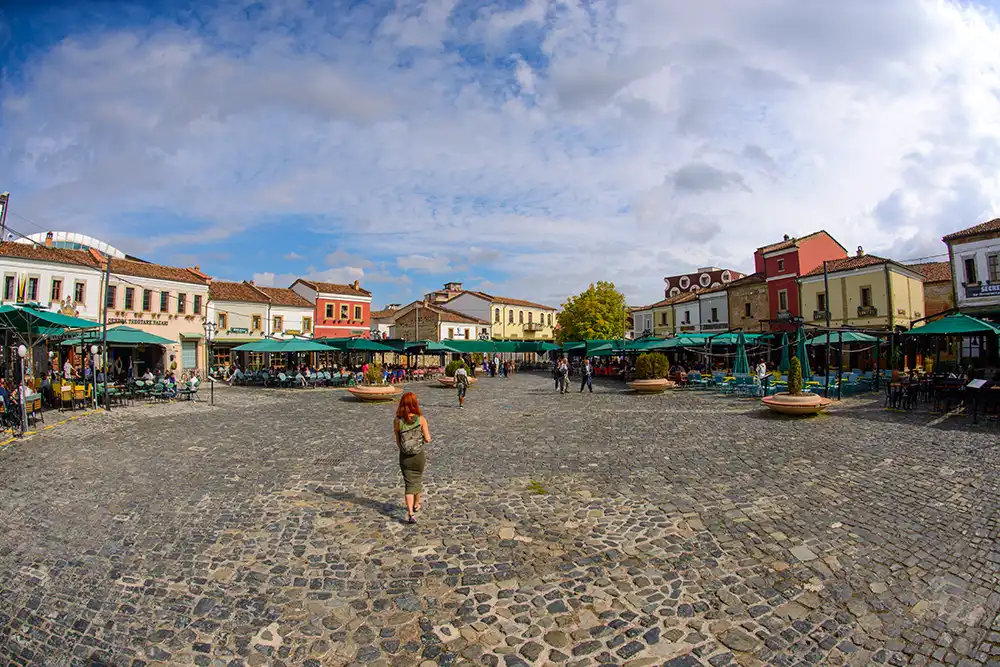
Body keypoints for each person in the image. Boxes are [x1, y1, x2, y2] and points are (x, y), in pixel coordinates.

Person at [394, 392, 431, 524]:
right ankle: (416, 505)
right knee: (418, 479)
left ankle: (410, 513)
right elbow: (428, 439)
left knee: (409, 483)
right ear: (415, 404)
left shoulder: (398, 421)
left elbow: (398, 441)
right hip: (418, 455)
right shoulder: (421, 419)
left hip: (405, 457)